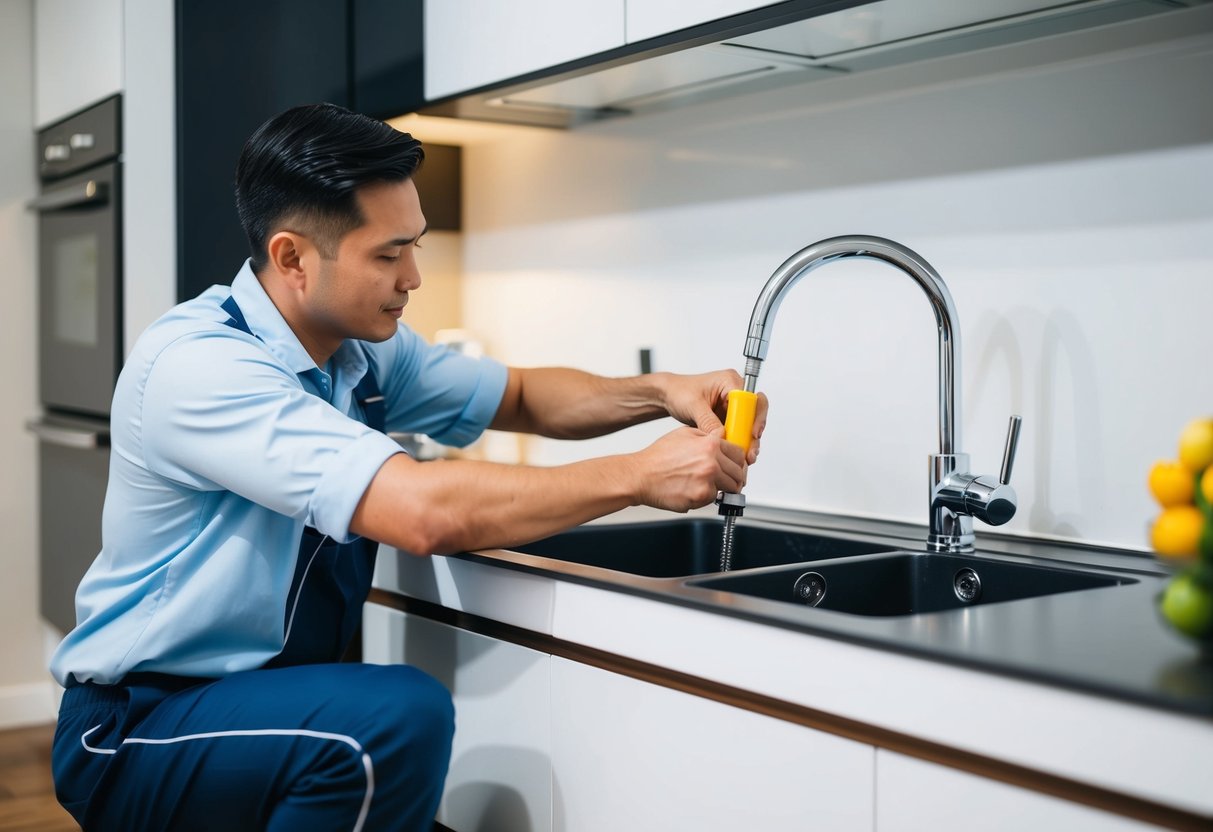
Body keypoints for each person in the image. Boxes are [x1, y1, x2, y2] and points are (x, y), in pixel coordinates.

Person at [48, 103, 767, 831]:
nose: (414, 277)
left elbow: (518, 396)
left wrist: (660, 392)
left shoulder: (359, 350)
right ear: (293, 258)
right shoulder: (202, 366)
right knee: (388, 724)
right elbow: (425, 513)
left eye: (414, 247)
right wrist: (635, 476)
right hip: (140, 725)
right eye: (389, 255)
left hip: (266, 708)